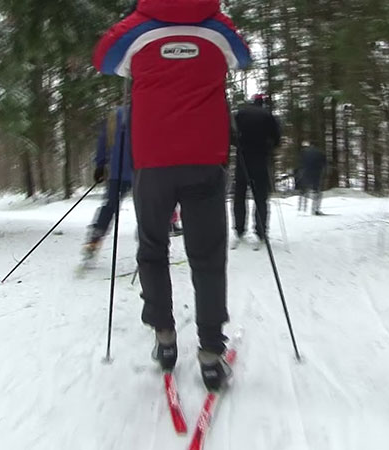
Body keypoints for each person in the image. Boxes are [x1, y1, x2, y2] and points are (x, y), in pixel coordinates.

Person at [93, 0, 251, 390]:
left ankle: (164, 339)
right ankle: (211, 354)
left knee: (151, 248)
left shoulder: (134, 28)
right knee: (208, 256)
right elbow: (243, 57)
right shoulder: (219, 28)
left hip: (152, 161)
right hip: (206, 159)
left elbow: (104, 59)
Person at [83, 106, 134, 259]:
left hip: (120, 171)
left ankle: (94, 239)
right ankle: (151, 247)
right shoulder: (148, 111)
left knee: (110, 206)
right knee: (148, 209)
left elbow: (103, 140)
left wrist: (100, 163)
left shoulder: (116, 114)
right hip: (140, 170)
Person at [231, 94, 281, 248]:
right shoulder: (268, 115)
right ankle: (260, 231)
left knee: (239, 195)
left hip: (243, 159)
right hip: (260, 159)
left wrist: (238, 145)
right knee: (260, 196)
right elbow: (277, 137)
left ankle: (239, 229)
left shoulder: (241, 113)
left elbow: (231, 133)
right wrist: (269, 147)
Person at [295, 141, 326, 215]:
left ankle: (301, 209)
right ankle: (315, 209)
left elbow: (300, 164)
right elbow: (324, 163)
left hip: (305, 173)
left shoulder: (303, 153)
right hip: (316, 173)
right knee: (316, 192)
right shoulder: (320, 153)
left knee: (303, 191)